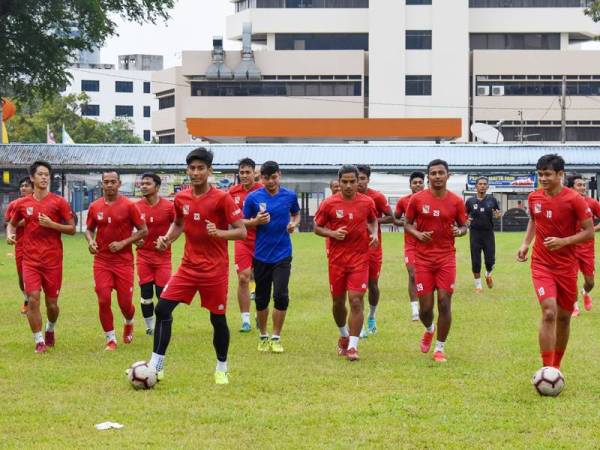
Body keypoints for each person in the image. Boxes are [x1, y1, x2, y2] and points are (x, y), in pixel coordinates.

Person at [145, 148, 246, 385]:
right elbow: (179, 223)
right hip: (188, 268)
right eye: (192, 168)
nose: (196, 172)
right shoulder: (181, 198)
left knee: (217, 319)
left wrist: (219, 232)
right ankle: (156, 364)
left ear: (210, 171)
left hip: (215, 270)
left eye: (201, 168)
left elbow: (241, 230)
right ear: (187, 170)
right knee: (162, 309)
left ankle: (221, 366)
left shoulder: (222, 198)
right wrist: (167, 238)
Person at [517, 155, 593, 371]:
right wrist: (525, 244)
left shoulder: (574, 200)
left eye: (547, 174)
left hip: (567, 267)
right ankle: (546, 368)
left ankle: (556, 367)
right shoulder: (534, 198)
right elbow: (534, 220)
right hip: (541, 264)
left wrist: (564, 241)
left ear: (560, 175)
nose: (543, 178)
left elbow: (588, 233)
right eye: (540, 174)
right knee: (549, 311)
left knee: (564, 318)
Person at [6, 161, 75, 353]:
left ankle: (50, 329)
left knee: (52, 304)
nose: (44, 178)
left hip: (53, 260)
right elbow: (12, 224)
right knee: (33, 298)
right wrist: (11, 233)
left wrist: (53, 225)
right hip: (30, 260)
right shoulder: (22, 203)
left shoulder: (59, 202)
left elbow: (71, 229)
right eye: (41, 174)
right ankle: (39, 341)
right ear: (32, 178)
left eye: (47, 175)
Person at [404, 159, 468, 363]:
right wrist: (417, 234)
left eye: (441, 173)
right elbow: (406, 224)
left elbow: (464, 226)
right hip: (422, 259)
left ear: (448, 176)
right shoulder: (417, 200)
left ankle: (439, 348)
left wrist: (460, 231)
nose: (437, 176)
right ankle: (429, 329)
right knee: (425, 308)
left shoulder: (457, 201)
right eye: (433, 173)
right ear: (428, 177)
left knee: (444, 302)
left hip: (446, 258)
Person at [314, 165, 378, 361]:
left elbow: (373, 220)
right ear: (339, 182)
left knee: (356, 301)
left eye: (353, 181)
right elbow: (317, 227)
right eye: (345, 182)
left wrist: (374, 233)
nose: (349, 185)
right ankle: (343, 334)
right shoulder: (329, 204)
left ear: (359, 181)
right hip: (337, 261)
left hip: (360, 258)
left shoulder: (367, 202)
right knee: (338, 303)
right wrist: (332, 233)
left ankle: (352, 346)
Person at [86, 171, 148, 350]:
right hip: (102, 261)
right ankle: (110, 339)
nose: (110, 185)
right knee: (103, 299)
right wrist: (91, 242)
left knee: (124, 303)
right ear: (102, 184)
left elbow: (143, 231)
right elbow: (89, 230)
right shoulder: (95, 206)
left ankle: (129, 320)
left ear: (119, 183)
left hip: (124, 261)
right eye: (106, 182)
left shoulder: (129, 206)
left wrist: (124, 243)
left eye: (113, 182)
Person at [244, 161, 300, 353]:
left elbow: (296, 214)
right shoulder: (253, 198)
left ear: (280, 175)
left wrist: (294, 223)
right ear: (261, 178)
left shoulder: (290, 196)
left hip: (283, 254)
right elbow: (241, 222)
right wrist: (255, 221)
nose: (270, 181)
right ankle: (263, 336)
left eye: (273, 177)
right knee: (261, 298)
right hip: (261, 255)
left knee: (281, 295)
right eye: (266, 178)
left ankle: (276, 337)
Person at [134, 173, 175, 335]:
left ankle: (164, 323)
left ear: (157, 187)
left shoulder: (168, 207)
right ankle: (150, 327)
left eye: (147, 184)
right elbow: (130, 228)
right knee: (146, 294)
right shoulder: (136, 207)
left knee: (162, 294)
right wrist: (135, 240)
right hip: (143, 256)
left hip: (163, 258)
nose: (143, 186)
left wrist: (167, 241)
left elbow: (178, 226)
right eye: (142, 183)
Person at [356, 165, 393, 336]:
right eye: (358, 178)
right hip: (354, 249)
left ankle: (372, 316)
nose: (360, 182)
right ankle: (360, 324)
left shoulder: (376, 197)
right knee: (358, 288)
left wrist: (372, 220)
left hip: (373, 247)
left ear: (368, 179)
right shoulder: (348, 197)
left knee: (372, 284)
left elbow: (390, 216)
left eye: (363, 178)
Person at [228, 158, 262, 332]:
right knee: (243, 277)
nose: (244, 175)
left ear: (254, 173)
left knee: (262, 279)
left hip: (262, 240)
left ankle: (260, 314)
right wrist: (250, 222)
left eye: (248, 172)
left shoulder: (263, 191)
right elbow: (231, 218)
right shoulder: (232, 192)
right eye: (241, 172)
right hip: (242, 240)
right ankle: (245, 320)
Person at [565, 174, 600, 316]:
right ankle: (575, 306)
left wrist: (593, 229)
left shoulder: (592, 203)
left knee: (590, 282)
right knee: (571, 279)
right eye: (579, 185)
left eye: (584, 185)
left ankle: (585, 292)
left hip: (587, 249)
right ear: (571, 188)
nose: (583, 187)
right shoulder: (566, 204)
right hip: (570, 247)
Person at [394, 171, 425, 321]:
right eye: (415, 183)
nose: (417, 185)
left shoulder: (431, 199)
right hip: (411, 244)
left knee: (426, 277)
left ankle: (426, 305)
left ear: (424, 184)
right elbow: (395, 219)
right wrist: (407, 223)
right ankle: (414, 309)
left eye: (420, 182)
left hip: (427, 245)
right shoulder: (403, 201)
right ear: (410, 185)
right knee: (413, 274)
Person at [465, 177, 501, 293]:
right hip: (475, 234)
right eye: (480, 184)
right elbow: (463, 216)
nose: (482, 186)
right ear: (476, 186)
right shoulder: (470, 201)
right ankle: (478, 286)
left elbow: (498, 214)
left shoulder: (492, 200)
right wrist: (466, 221)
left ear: (488, 186)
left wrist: (497, 215)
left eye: (484, 184)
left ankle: (488, 274)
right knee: (476, 261)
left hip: (488, 234)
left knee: (490, 261)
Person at [4, 176, 34, 314]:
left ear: (33, 188)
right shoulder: (14, 204)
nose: (23, 188)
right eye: (22, 185)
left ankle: (31, 302)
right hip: (20, 245)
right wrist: (12, 231)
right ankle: (26, 298)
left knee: (34, 276)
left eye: (27, 185)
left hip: (37, 245)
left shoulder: (38, 203)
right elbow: (9, 222)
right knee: (22, 277)